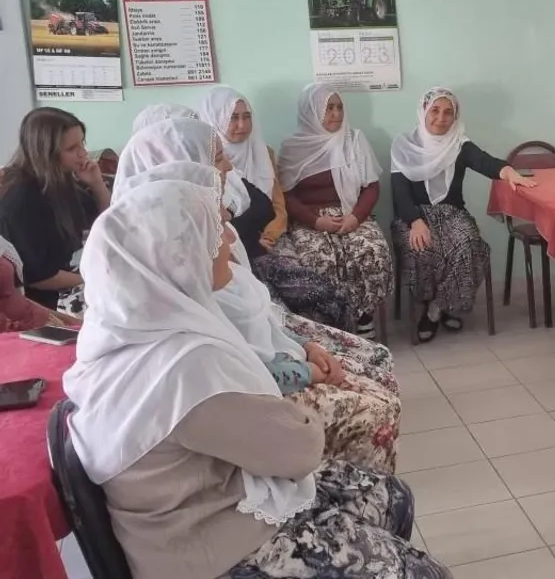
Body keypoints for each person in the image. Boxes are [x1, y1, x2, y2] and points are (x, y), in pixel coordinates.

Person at [62, 180, 447, 579]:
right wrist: (290, 406)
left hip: (197, 510)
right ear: (178, 256)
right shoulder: (184, 366)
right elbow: (298, 450)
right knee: (422, 572)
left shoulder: (131, 329)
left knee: (390, 494)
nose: (230, 238)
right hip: (208, 549)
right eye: (214, 233)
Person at [115, 161, 400, 473]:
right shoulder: (187, 345)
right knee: (376, 408)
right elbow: (291, 442)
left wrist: (306, 346)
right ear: (182, 248)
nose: (231, 238)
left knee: (374, 373)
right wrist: (306, 371)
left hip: (277, 373)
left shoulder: (192, 294)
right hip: (269, 406)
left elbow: (264, 322)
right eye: (217, 229)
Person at [114, 120, 400, 398]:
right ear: (180, 164)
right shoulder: (179, 261)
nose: (228, 166)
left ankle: (358, 324)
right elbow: (233, 364)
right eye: (217, 158)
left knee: (341, 291)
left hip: (264, 285)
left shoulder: (213, 212)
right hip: (262, 382)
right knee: (319, 267)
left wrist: (305, 346)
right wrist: (307, 368)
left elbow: (268, 208)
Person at [197, 87, 356, 331]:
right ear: (214, 119)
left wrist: (270, 234)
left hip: (271, 237)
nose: (242, 125)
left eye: (246, 116)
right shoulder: (205, 164)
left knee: (311, 283)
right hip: (235, 250)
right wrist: (249, 240)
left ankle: (328, 338)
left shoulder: (263, 152)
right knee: (275, 305)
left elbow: (278, 206)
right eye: (233, 118)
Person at [390, 87, 536, 342]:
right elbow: (399, 192)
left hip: (452, 213)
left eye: (448, 112)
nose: (441, 118)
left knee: (470, 245)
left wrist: (509, 172)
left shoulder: (459, 144)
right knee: (420, 248)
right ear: (423, 112)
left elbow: (487, 163)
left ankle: (438, 308)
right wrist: (415, 222)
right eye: (435, 110)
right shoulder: (405, 146)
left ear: (455, 117)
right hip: (414, 215)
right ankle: (432, 304)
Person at [276, 84, 392, 340]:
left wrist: (355, 218)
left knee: (371, 251)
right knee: (319, 259)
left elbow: (371, 186)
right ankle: (333, 325)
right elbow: (286, 195)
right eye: (328, 108)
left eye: (339, 107)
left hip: (352, 213)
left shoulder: (354, 140)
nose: (336, 114)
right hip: (311, 220)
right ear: (311, 111)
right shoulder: (293, 147)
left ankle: (364, 318)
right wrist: (316, 221)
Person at [0, 108, 109, 316]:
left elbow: (107, 226)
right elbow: (38, 277)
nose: (83, 154)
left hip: (73, 279)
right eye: (72, 148)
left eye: (82, 143)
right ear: (46, 153)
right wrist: (92, 278)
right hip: (46, 302)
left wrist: (97, 185)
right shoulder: (22, 199)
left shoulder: (63, 181)